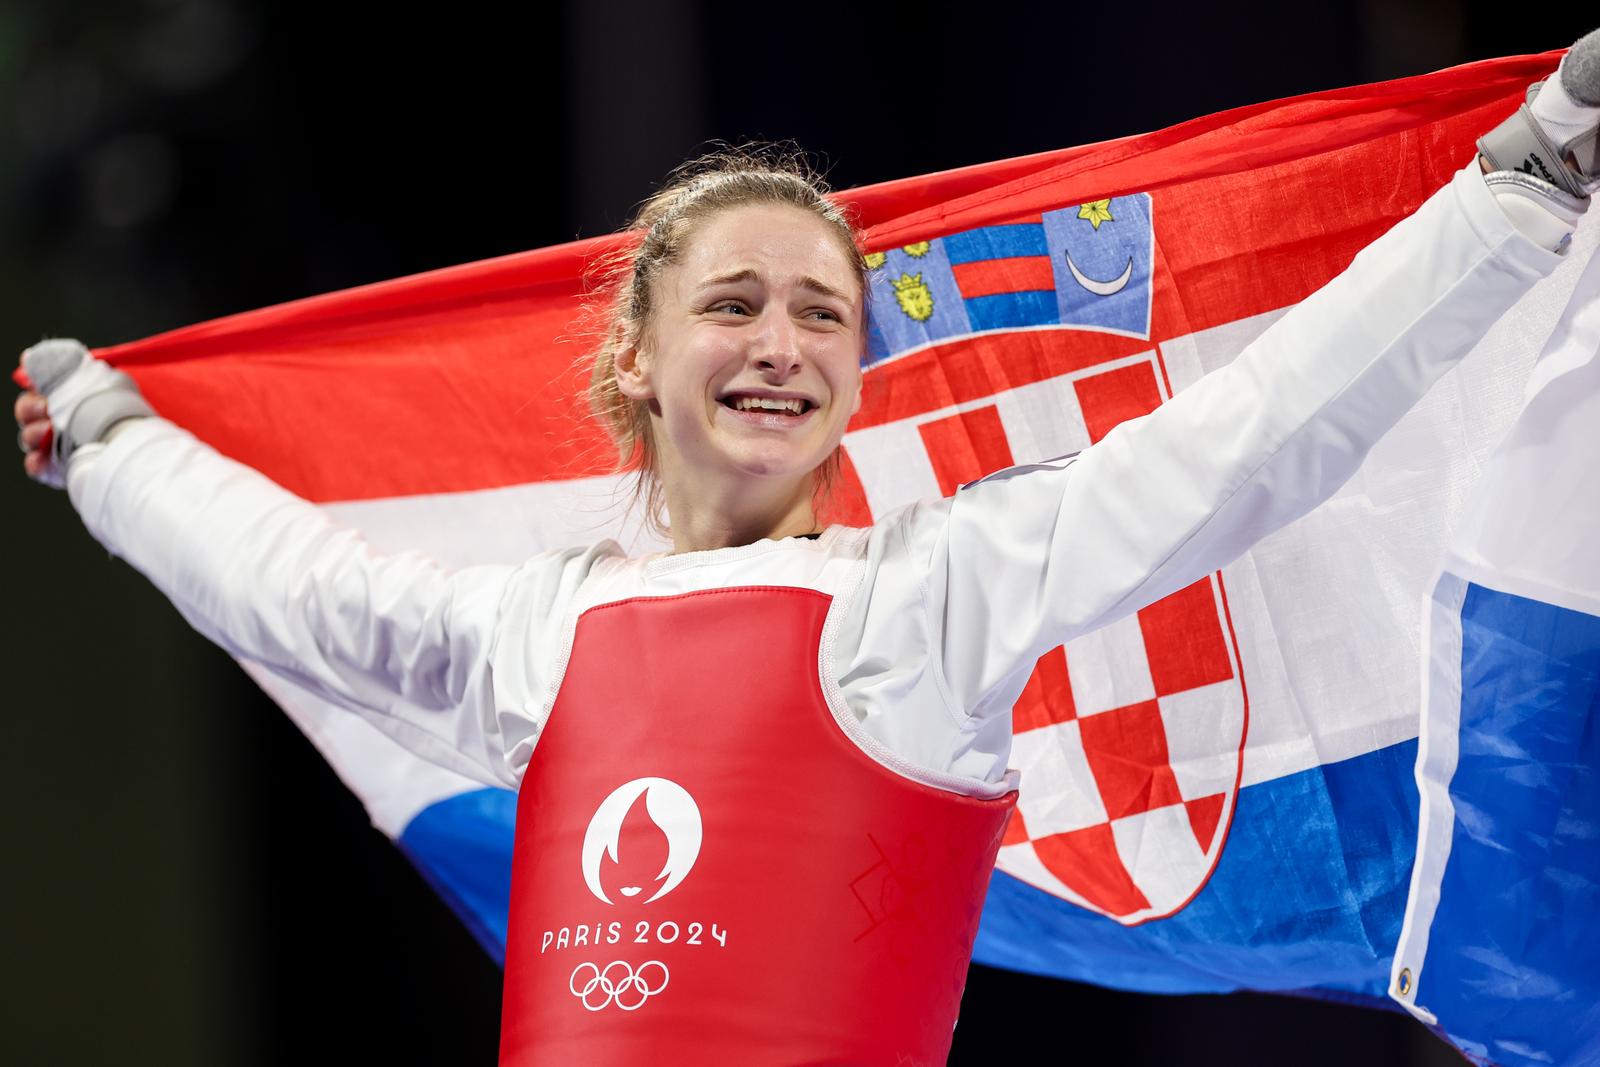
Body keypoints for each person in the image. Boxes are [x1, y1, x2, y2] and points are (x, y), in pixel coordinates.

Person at [14, 33, 1600, 1066]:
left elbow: (1251, 437)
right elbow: (282, 584)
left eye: (820, 314)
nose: (781, 345)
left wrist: (1514, 189)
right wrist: (109, 447)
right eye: (733, 305)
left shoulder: (921, 603)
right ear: (635, 357)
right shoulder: (538, 638)